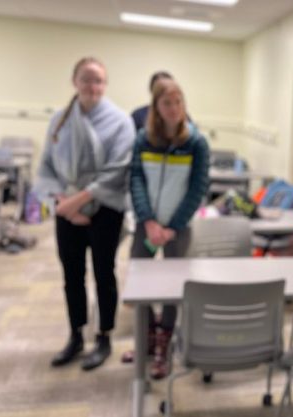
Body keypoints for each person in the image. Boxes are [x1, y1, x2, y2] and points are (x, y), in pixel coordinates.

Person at [34, 57, 135, 371]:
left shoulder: (120, 121)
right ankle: (76, 334)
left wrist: (78, 202)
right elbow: (47, 167)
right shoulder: (60, 120)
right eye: (87, 79)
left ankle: (104, 336)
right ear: (74, 81)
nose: (93, 86)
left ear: (105, 85)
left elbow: (118, 170)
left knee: (104, 273)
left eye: (99, 81)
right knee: (72, 274)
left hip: (104, 207)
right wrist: (62, 202)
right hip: (67, 208)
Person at [122, 78, 209, 379]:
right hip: (147, 226)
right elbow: (136, 181)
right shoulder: (143, 139)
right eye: (167, 103)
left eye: (178, 102)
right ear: (156, 107)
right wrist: (148, 221)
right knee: (141, 286)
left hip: (178, 229)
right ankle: (145, 341)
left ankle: (164, 347)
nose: (174, 109)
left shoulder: (196, 143)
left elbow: (198, 189)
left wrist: (172, 227)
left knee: (173, 289)